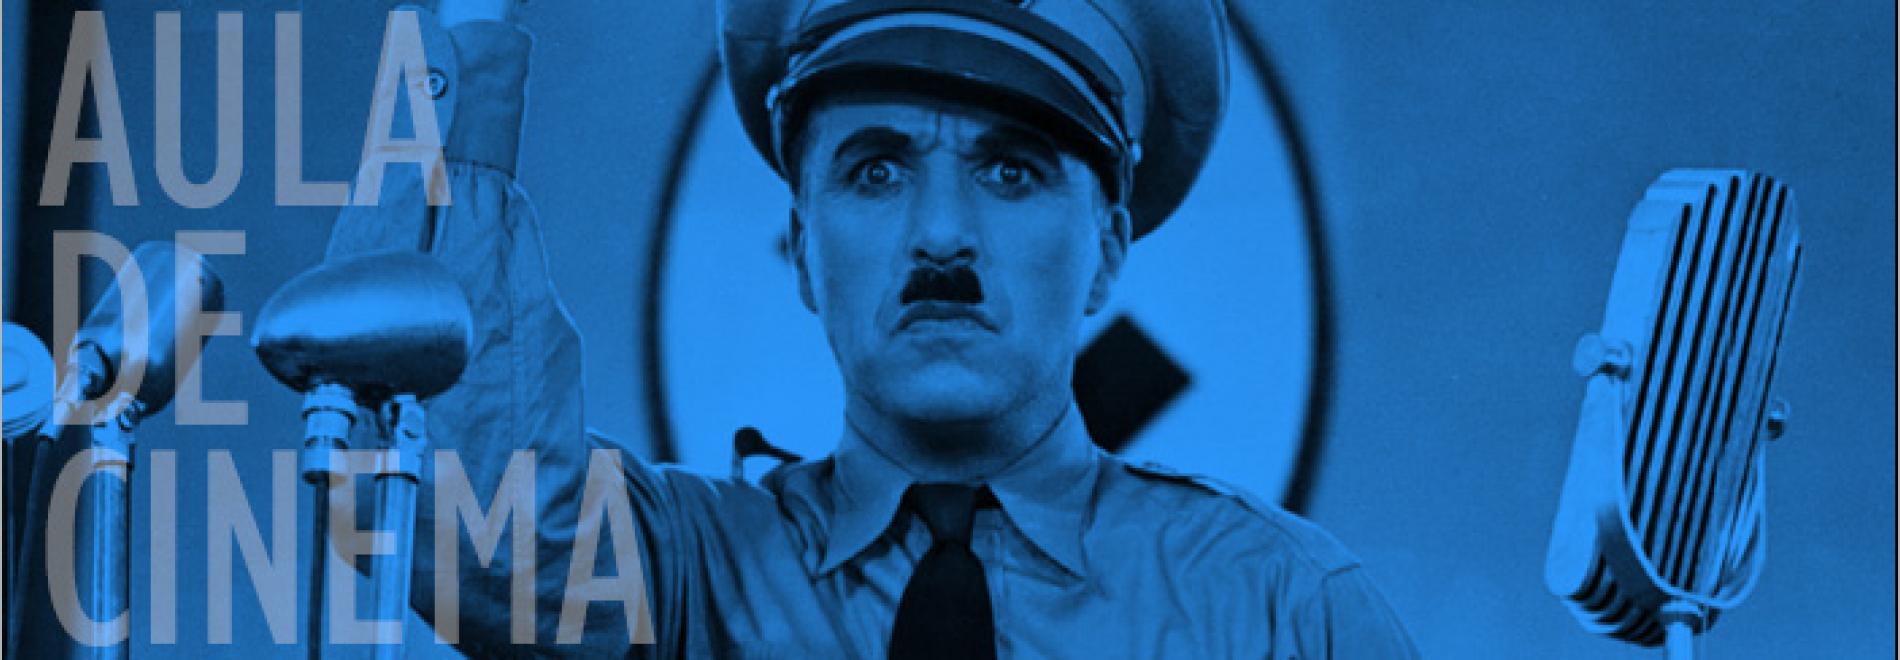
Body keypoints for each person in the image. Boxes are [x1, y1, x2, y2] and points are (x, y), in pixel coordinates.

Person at [325, 0, 1419, 657]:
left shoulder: (1280, 611)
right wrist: (464, 33)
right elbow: (443, 489)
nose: (941, 236)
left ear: (1107, 253)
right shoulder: (685, 583)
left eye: (1011, 171)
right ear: (803, 248)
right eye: (877, 170)